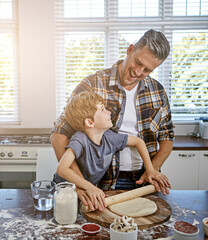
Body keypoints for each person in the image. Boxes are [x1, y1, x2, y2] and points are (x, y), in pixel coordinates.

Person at [51, 29, 174, 210]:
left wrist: (152, 169)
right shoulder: (93, 84)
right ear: (130, 49)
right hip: (100, 185)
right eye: (138, 62)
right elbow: (59, 134)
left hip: (143, 183)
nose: (138, 72)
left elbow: (167, 136)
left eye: (147, 70)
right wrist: (81, 184)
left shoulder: (157, 91)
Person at [54, 91, 171, 211]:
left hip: (86, 189)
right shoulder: (80, 140)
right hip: (64, 191)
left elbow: (138, 142)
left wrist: (150, 169)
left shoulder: (110, 137)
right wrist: (88, 187)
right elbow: (62, 169)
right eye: (103, 109)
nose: (109, 112)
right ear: (90, 122)